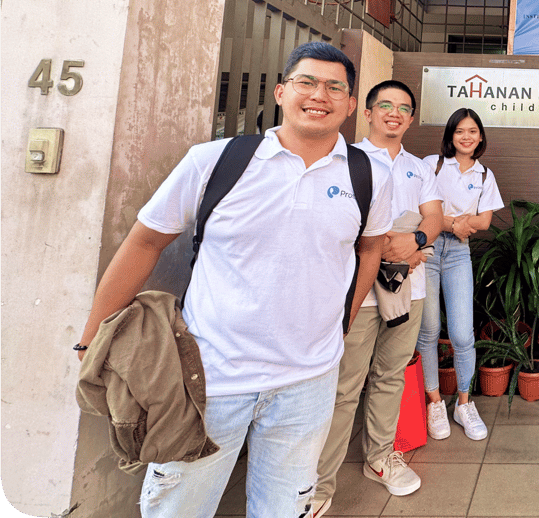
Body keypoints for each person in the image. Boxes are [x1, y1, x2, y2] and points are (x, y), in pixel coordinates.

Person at [75, 42, 394, 518]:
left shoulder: (370, 176)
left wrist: (341, 321)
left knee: (284, 510)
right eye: (307, 82)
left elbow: (370, 248)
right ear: (282, 92)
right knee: (178, 509)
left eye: (335, 87)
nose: (319, 95)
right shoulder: (215, 161)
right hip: (208, 380)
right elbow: (144, 244)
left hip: (308, 384)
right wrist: (91, 343)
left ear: (350, 106)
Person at [311, 80, 442, 517]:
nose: (394, 113)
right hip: (359, 290)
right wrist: (376, 246)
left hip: (409, 288)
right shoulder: (343, 160)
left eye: (404, 107)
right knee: (345, 386)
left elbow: (434, 216)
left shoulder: (419, 167)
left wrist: (416, 241)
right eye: (385, 105)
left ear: (410, 117)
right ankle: (317, 484)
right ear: (366, 112)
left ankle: (379, 458)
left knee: (390, 376)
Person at [418, 108, 504, 442]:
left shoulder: (485, 175)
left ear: (480, 136)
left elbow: (484, 221)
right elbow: (423, 210)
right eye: (459, 132)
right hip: (425, 250)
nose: (466, 137)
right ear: (450, 136)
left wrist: (451, 221)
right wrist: (454, 222)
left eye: (472, 132)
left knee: (462, 333)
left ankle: (464, 403)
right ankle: (435, 400)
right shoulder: (432, 165)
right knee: (428, 330)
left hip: (458, 254)